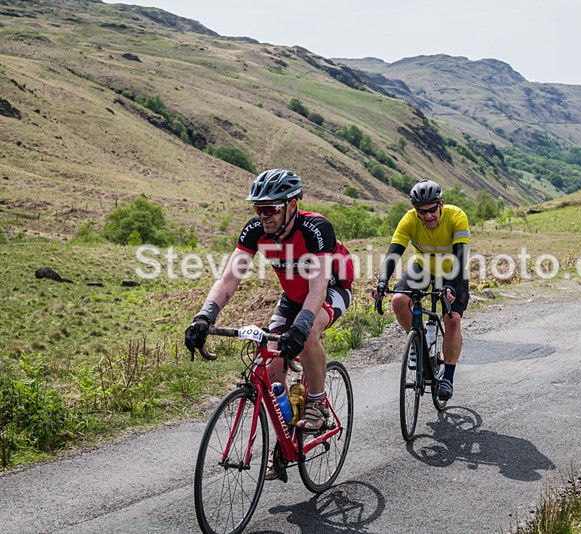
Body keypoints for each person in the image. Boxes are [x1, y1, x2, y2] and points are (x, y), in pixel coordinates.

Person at [184, 169, 353, 432]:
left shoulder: (316, 228)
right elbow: (229, 279)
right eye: (258, 208)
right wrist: (204, 316)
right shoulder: (255, 230)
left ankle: (317, 402)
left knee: (307, 335)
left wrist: (301, 325)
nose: (264, 215)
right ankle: (288, 438)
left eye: (271, 208)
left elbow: (318, 286)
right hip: (293, 296)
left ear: (292, 205)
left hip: (331, 290)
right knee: (272, 367)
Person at [373, 180, 470, 400]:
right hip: (422, 266)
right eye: (421, 212)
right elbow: (394, 252)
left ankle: (448, 377)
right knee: (398, 301)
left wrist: (450, 285)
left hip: (452, 270)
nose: (427, 216)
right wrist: (381, 282)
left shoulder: (457, 216)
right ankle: (417, 344)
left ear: (441, 205)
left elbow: (461, 255)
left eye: (432, 210)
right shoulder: (409, 219)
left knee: (452, 319)